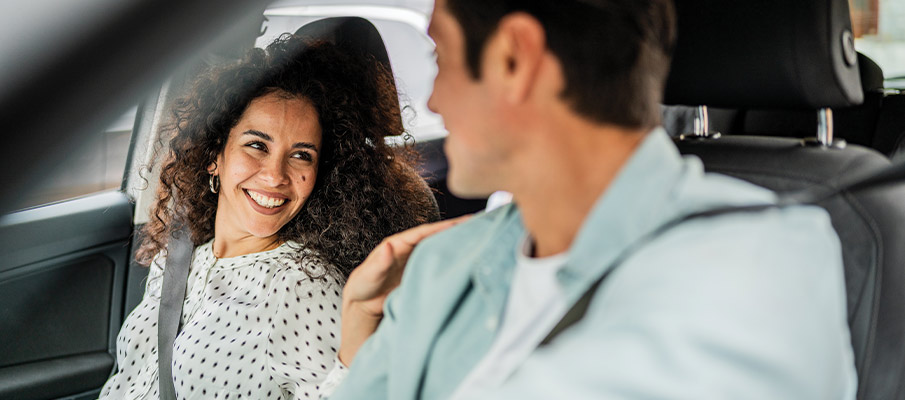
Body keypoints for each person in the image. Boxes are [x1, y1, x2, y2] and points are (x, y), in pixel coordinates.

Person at [322, 0, 857, 398]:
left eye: (443, 59)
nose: (435, 99)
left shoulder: (763, 261)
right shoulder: (440, 266)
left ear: (514, 58)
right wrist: (356, 343)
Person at [99, 34, 438, 399]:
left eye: (301, 155)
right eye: (257, 145)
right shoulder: (174, 259)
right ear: (216, 155)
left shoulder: (298, 285)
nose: (275, 175)